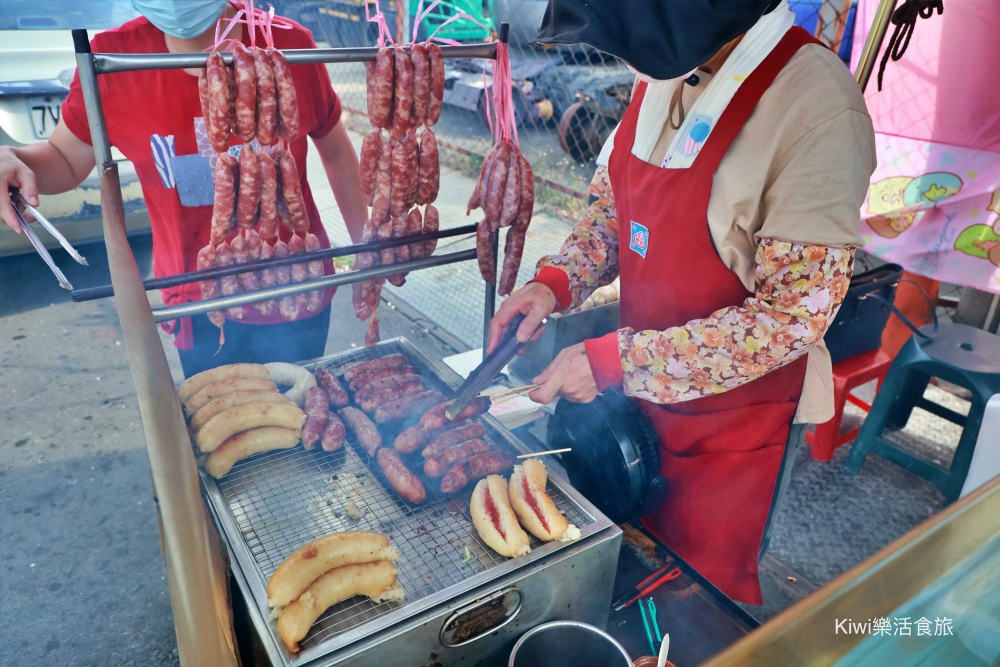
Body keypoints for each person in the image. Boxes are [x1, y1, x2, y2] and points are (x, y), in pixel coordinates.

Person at [489, 0, 876, 605]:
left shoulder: (818, 107)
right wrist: (554, 283)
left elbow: (791, 318)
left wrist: (613, 363)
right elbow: (613, 216)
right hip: (638, 407)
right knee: (625, 574)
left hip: (734, 433)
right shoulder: (668, 70)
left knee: (696, 605)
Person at [0, 0, 368, 377]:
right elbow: (63, 158)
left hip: (297, 287)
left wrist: (365, 248)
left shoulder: (290, 43)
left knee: (303, 417)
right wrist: (12, 159)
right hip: (196, 301)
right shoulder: (110, 61)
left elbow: (336, 150)